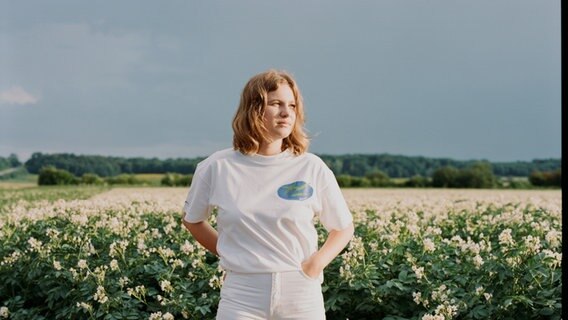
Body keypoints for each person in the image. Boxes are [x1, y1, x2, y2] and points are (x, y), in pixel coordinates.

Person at [182, 69, 354, 319]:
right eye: (276, 104)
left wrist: (314, 265)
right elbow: (193, 220)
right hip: (242, 294)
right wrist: (231, 252)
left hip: (301, 292)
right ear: (254, 109)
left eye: (292, 106)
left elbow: (343, 227)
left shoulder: (311, 167)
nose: (286, 113)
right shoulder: (217, 166)